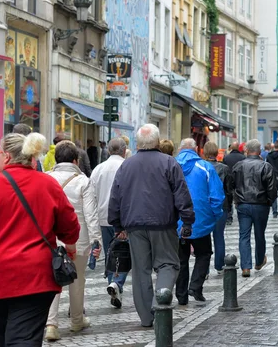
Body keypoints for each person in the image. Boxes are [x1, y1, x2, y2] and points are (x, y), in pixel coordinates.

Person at [0, 132, 81, 345]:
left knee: (1, 336)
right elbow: (70, 228)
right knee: (23, 338)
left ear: (7, 157)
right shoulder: (48, 185)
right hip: (34, 276)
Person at [108, 124, 194, 327]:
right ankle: (159, 303)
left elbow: (115, 197)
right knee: (168, 264)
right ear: (156, 141)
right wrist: (187, 221)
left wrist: (117, 225)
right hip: (163, 224)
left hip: (134, 226)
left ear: (138, 143)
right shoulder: (169, 163)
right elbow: (182, 195)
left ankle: (147, 318)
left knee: (141, 271)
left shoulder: (126, 165)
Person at [45, 141, 101, 341]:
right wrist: (96, 240)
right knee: (77, 280)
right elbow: (90, 214)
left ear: (57, 159)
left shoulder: (45, 179)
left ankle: (51, 324)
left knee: (52, 280)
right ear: (76, 160)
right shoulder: (83, 181)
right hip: (78, 239)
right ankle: (77, 320)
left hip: (50, 239)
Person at [175, 139, 224, 305]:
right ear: (196, 149)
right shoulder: (205, 167)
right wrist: (214, 216)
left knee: (181, 259)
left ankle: (181, 295)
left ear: (180, 149)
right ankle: (195, 286)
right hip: (200, 219)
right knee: (203, 254)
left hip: (177, 221)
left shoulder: (171, 167)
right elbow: (217, 196)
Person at [89, 138, 129, 309]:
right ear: (124, 150)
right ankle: (117, 283)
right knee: (124, 253)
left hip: (103, 217)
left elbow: (91, 195)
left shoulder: (98, 169)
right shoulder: (127, 166)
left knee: (111, 252)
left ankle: (114, 282)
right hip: (123, 218)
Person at [232, 139, 276, 277]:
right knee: (259, 234)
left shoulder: (238, 166)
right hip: (261, 204)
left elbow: (232, 185)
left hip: (243, 204)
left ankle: (246, 267)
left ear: (246, 150)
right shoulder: (265, 166)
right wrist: (269, 201)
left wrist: (237, 199)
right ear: (259, 151)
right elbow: (272, 188)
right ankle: (259, 261)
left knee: (244, 235)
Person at [203, 142, 233, 275]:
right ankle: (219, 266)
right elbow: (229, 189)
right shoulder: (224, 168)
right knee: (219, 236)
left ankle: (205, 269)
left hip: (204, 206)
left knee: (204, 237)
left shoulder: (201, 167)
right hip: (221, 206)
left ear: (204, 152)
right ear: (216, 153)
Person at [223, 141, 246, 224]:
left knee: (229, 198)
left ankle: (229, 216)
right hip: (240, 180)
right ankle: (241, 212)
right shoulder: (243, 157)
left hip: (229, 181)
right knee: (240, 197)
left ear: (231, 148)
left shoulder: (226, 157)